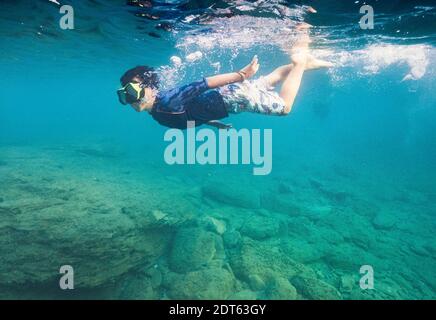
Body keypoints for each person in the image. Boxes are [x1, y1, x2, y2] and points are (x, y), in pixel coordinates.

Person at [117, 34, 333, 129]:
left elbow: (203, 83)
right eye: (124, 95)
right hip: (232, 96)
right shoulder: (158, 114)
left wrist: (242, 75)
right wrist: (213, 123)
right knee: (272, 79)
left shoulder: (168, 102)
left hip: (235, 98)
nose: (130, 99)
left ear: (152, 89)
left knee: (285, 107)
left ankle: (300, 62)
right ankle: (303, 63)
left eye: (132, 92)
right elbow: (189, 117)